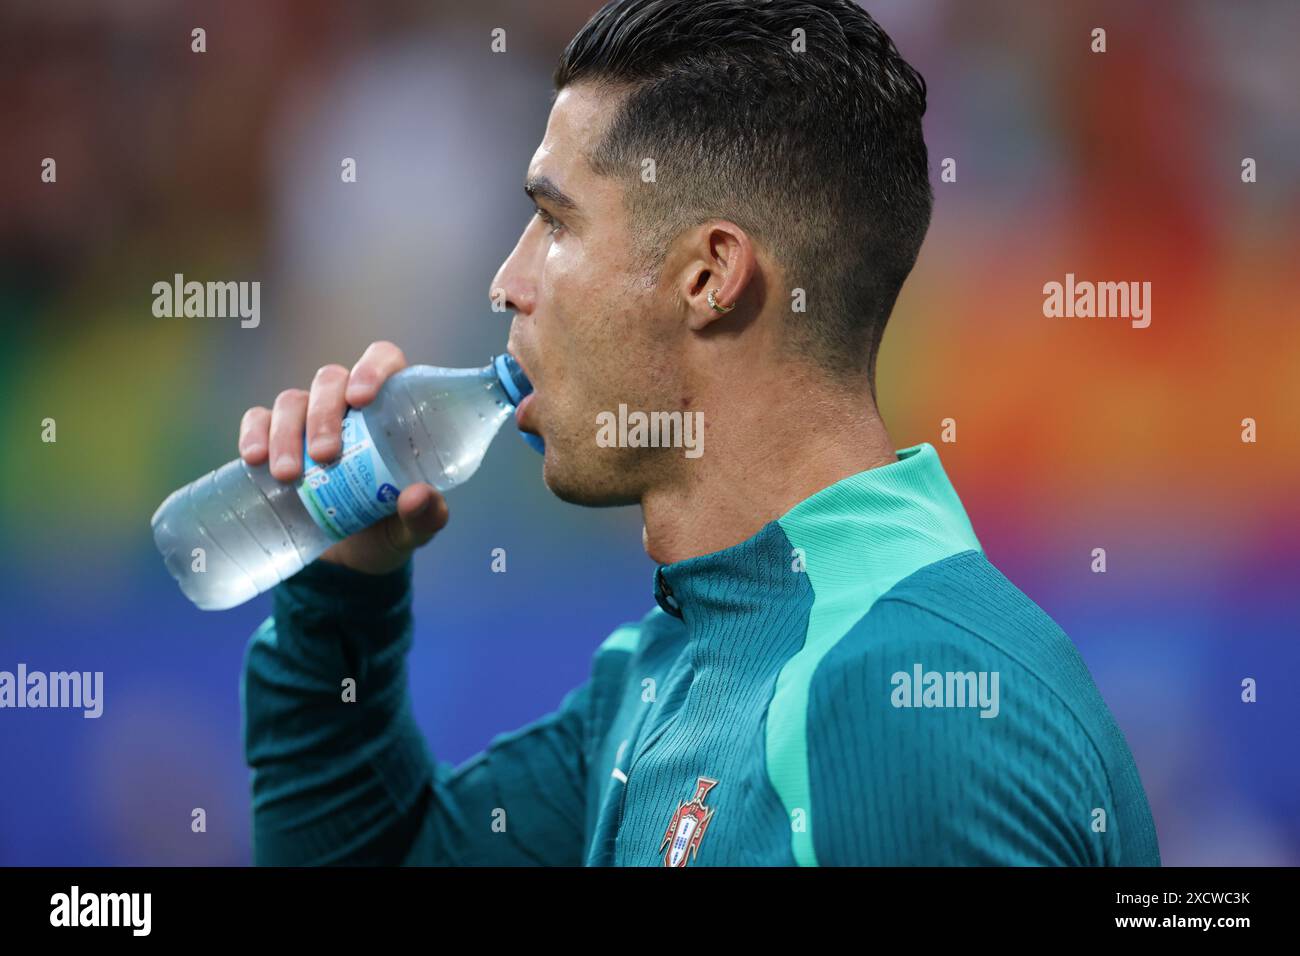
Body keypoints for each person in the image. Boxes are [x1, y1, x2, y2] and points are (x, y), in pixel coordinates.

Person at [238, 0, 1160, 866]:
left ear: (710, 275)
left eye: (554, 223)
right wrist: (342, 593)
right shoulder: (668, 668)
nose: (506, 281)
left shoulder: (902, 701)